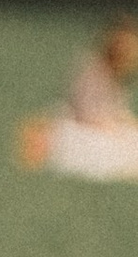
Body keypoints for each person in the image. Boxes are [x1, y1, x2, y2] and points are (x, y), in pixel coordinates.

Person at [17, 17, 138, 179]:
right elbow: (86, 113)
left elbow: (116, 112)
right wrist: (114, 130)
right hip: (80, 129)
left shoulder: (116, 76)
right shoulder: (93, 70)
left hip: (101, 129)